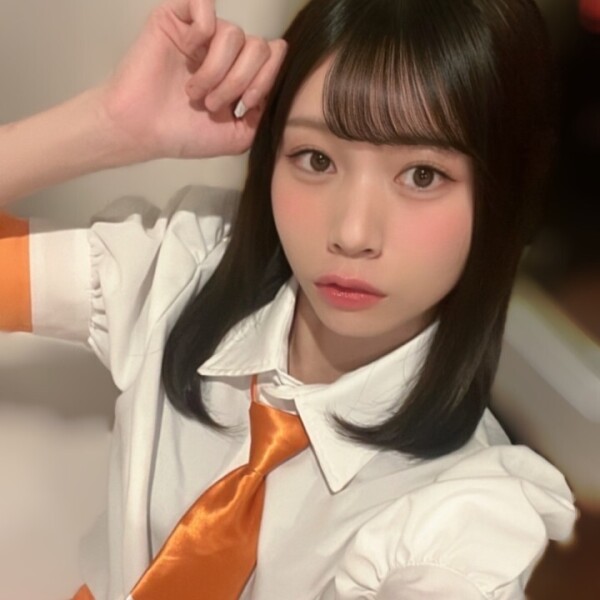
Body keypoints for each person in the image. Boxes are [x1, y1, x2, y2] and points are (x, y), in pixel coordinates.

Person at [0, 0, 577, 598]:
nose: (352, 232)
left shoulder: (463, 516)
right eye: (317, 159)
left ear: (503, 197)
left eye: (422, 175)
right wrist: (110, 124)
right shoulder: (184, 271)